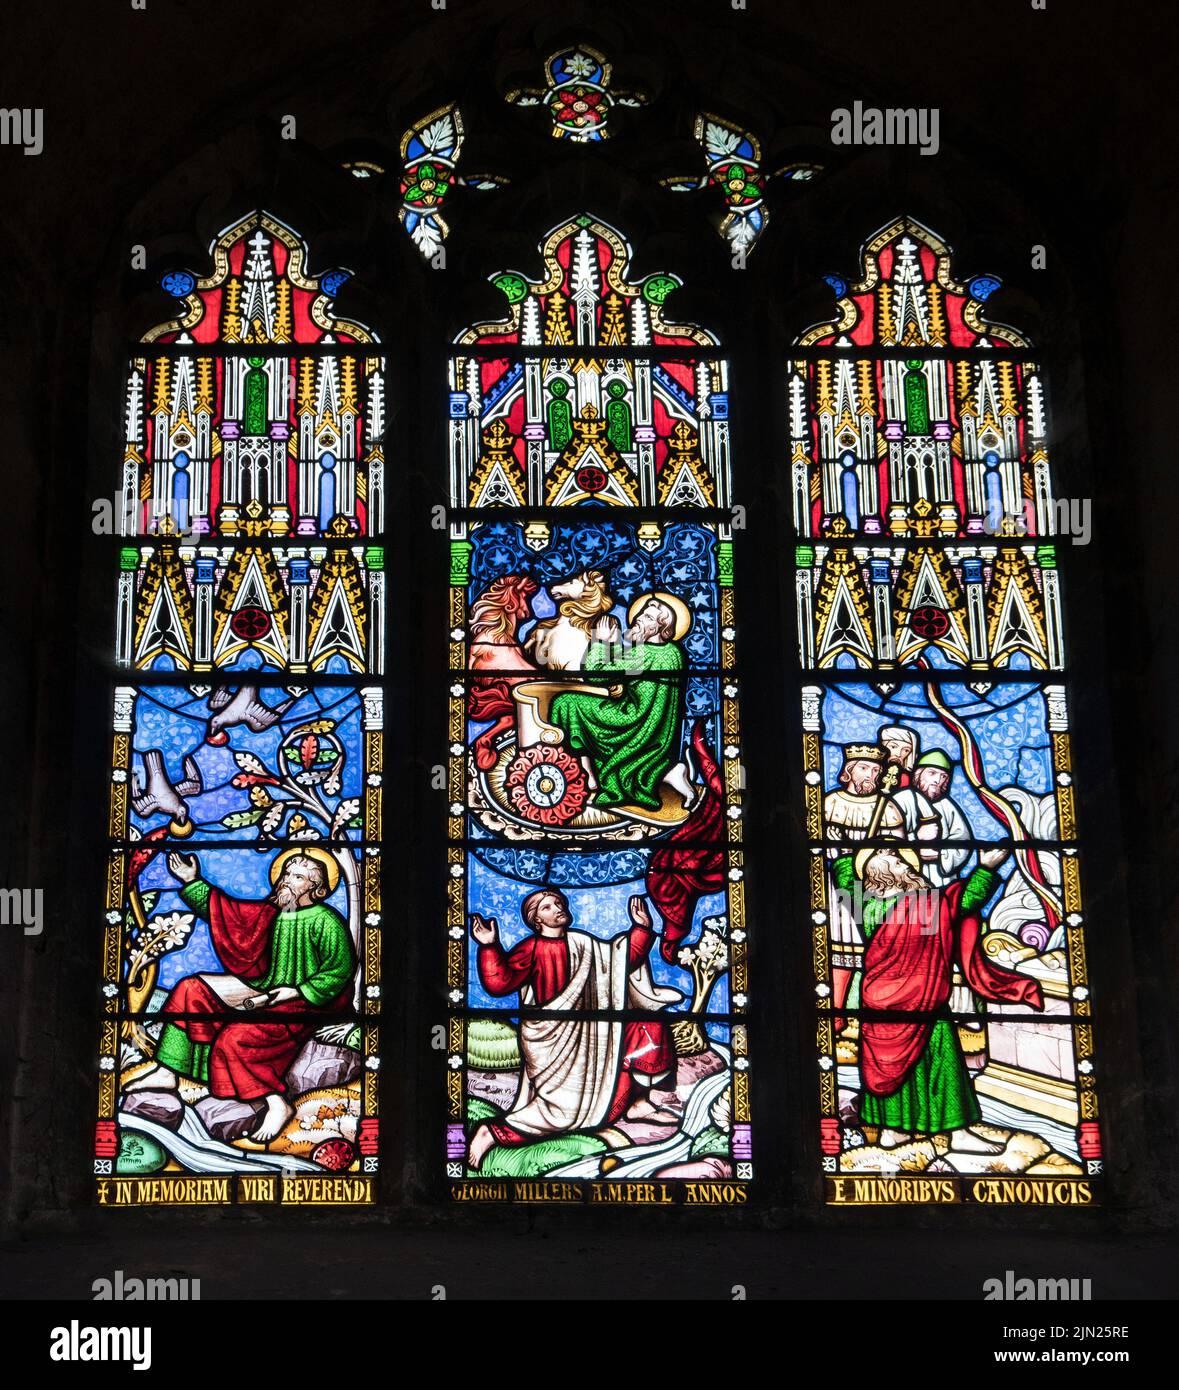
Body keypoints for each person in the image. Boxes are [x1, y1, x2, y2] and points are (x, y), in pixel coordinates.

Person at [124, 848, 354, 1143]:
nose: (286, 880)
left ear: (317, 888)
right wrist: (192, 881)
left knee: (235, 1037)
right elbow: (228, 914)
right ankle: (168, 1070)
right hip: (264, 988)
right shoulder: (273, 912)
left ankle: (276, 1103)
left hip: (304, 1002)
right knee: (190, 990)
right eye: (286, 873)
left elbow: (340, 970)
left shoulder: (326, 920)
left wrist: (296, 991)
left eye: (297, 877)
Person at [831, 844, 1043, 1152]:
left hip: (884, 1000)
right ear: (881, 873)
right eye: (892, 857)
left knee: (891, 1063)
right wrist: (986, 867)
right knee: (943, 1065)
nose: (902, 860)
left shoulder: (866, 906)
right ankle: (955, 1133)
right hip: (921, 1000)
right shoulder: (925, 906)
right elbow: (964, 900)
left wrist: (843, 857)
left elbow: (847, 882)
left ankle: (896, 1129)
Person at [467, 889, 681, 1170]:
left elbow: (620, 961)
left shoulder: (584, 944)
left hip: (594, 1034)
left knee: (648, 1026)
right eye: (547, 907)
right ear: (536, 920)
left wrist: (642, 928)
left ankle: (639, 1102)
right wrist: (489, 946)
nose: (557, 908)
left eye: (558, 903)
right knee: (564, 1112)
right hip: (551, 1042)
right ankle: (493, 1133)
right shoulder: (531, 948)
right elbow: (500, 983)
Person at [548, 593, 688, 811]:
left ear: (662, 628)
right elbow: (641, 682)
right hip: (658, 733)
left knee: (567, 702)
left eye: (649, 618)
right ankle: (667, 770)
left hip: (632, 723)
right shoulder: (673, 652)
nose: (640, 618)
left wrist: (601, 641)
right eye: (642, 613)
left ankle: (587, 774)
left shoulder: (643, 653)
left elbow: (597, 673)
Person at [822, 743, 903, 1030]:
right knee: (841, 953)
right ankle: (838, 1015)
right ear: (849, 770)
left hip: (877, 890)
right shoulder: (830, 803)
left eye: (876, 770)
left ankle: (876, 1018)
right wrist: (835, 849)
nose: (871, 775)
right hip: (837, 889)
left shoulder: (888, 808)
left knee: (878, 953)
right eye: (865, 768)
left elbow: (899, 852)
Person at [892, 749, 971, 888]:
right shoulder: (901, 799)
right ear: (918, 774)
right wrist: (915, 840)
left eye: (944, 776)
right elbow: (885, 838)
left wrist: (940, 855)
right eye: (932, 773)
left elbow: (962, 841)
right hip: (904, 878)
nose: (938, 780)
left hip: (941, 881)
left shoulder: (948, 806)